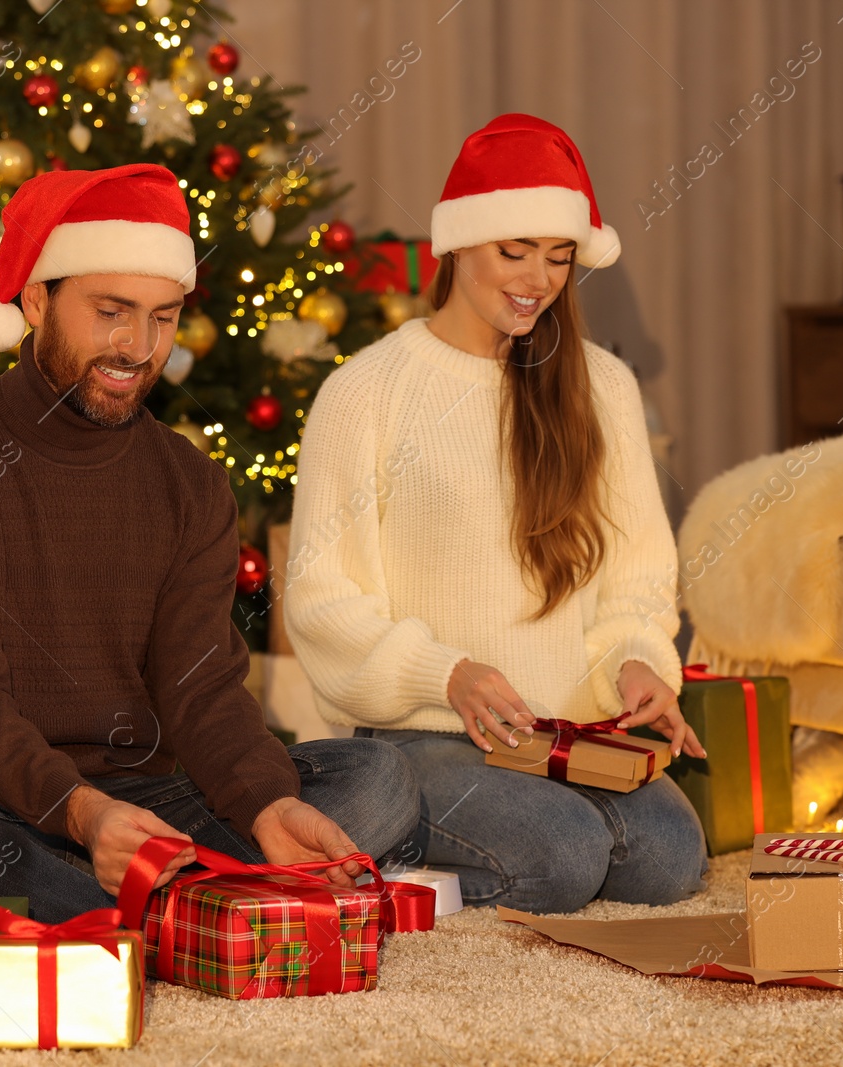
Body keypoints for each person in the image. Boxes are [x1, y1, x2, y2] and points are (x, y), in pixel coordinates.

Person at [0, 164, 418, 922]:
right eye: (111, 311)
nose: (137, 346)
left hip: (141, 807)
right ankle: (176, 910)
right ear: (35, 300)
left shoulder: (190, 482)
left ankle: (110, 906)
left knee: (378, 778)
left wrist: (264, 805)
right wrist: (82, 815)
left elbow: (200, 688)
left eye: (163, 316)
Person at [284, 115, 707, 914]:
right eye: (513, 252)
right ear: (456, 247)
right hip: (422, 731)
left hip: (564, 735)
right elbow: (320, 601)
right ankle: (385, 861)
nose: (538, 278)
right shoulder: (365, 392)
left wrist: (638, 657)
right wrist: (445, 671)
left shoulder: (603, 386)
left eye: (559, 256)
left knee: (669, 859)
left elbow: (639, 575)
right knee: (565, 856)